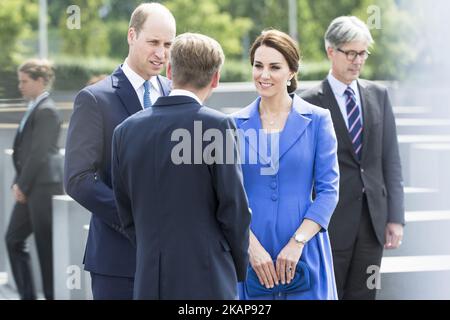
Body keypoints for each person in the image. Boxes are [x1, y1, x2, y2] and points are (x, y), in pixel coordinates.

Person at [111, 33, 251, 300]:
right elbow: (234, 209)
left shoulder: (125, 131)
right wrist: (234, 266)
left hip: (149, 278)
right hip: (208, 278)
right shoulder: (217, 126)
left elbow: (125, 212)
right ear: (216, 78)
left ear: (170, 70)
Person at [64, 3, 175, 299]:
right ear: (131, 35)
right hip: (118, 260)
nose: (161, 53)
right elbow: (78, 179)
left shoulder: (174, 91)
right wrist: (136, 217)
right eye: (153, 42)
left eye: (168, 45)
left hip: (173, 261)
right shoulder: (94, 99)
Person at [300, 16, 405, 300]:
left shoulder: (378, 95)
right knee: (328, 293)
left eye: (363, 53)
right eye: (351, 53)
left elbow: (390, 160)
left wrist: (396, 218)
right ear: (330, 51)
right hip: (329, 222)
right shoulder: (309, 102)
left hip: (373, 221)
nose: (358, 61)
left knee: (366, 294)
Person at [233, 29, 339, 300]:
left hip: (305, 253)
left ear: (292, 72)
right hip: (250, 258)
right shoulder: (232, 125)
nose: (263, 75)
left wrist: (297, 243)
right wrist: (251, 248)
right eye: (258, 66)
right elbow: (225, 197)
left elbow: (328, 191)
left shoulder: (318, 120)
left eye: (274, 67)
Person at [5, 59, 63, 300]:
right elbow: (26, 151)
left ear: (40, 81)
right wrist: (19, 183)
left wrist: (22, 184)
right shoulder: (34, 107)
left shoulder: (46, 110)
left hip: (42, 188)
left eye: (25, 81)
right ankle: (28, 295)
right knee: (13, 239)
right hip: (29, 186)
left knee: (45, 247)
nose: (20, 86)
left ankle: (50, 296)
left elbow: (39, 153)